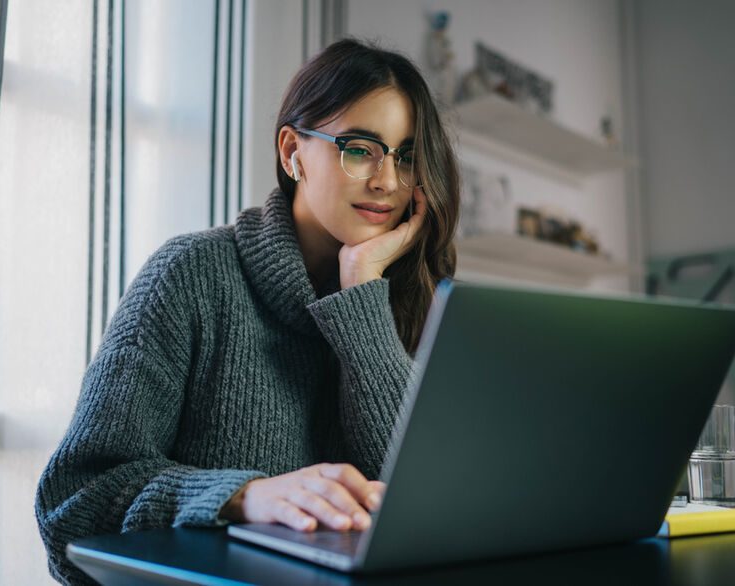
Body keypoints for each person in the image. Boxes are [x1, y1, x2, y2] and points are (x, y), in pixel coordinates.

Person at [35, 37, 460, 584]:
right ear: (291, 152)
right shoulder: (191, 274)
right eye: (360, 148)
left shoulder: (411, 295)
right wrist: (240, 496)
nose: (387, 181)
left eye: (406, 157)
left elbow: (421, 507)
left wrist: (361, 299)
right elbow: (74, 506)